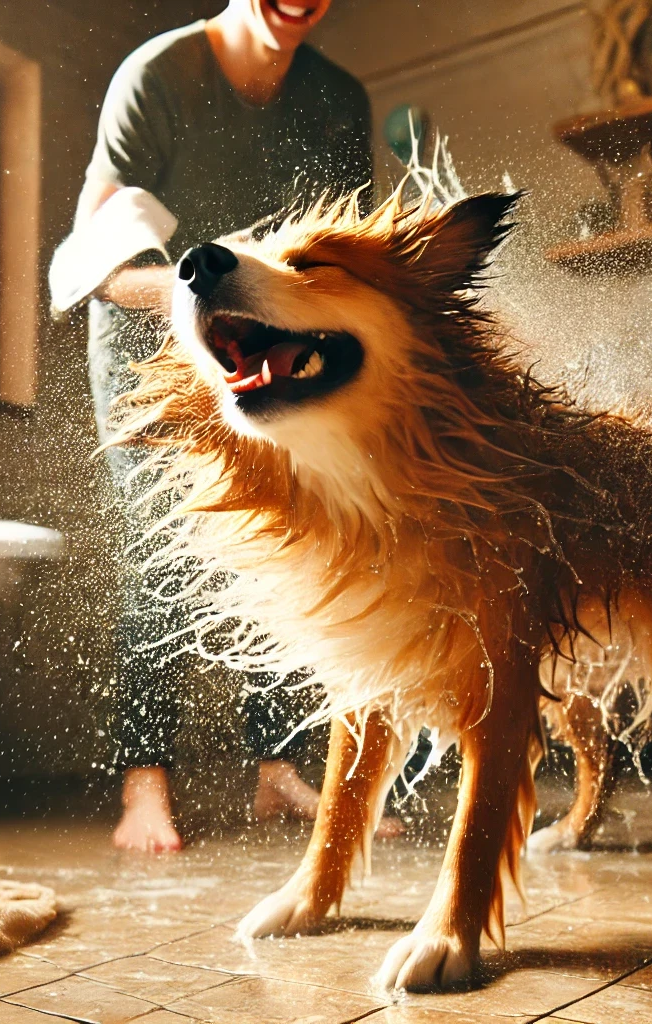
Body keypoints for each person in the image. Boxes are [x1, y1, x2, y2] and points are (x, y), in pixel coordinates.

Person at [52, 0, 394, 853]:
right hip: (149, 350)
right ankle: (144, 783)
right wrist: (198, 285)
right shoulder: (158, 76)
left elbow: (339, 249)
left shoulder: (339, 100)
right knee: (162, 547)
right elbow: (93, 262)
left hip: (268, 342)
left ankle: (276, 767)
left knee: (289, 532)